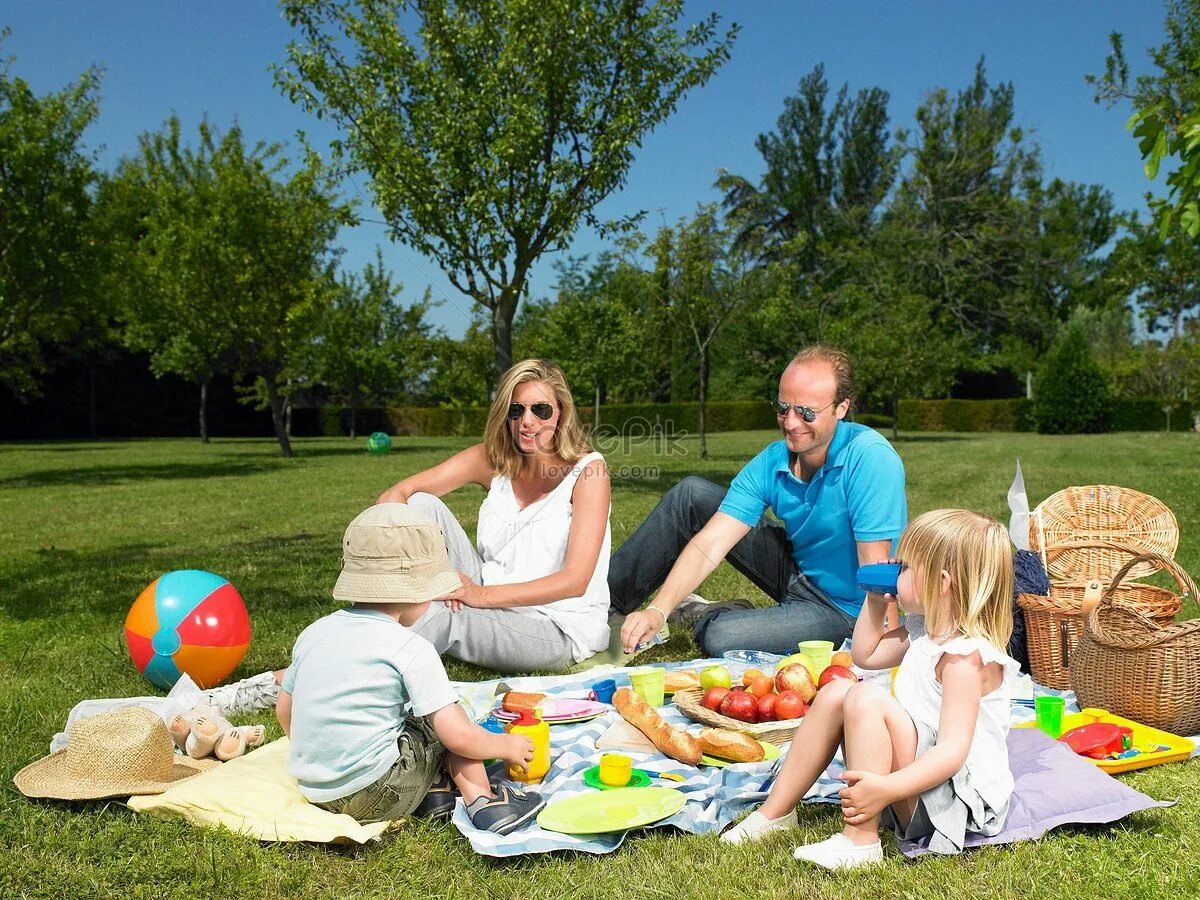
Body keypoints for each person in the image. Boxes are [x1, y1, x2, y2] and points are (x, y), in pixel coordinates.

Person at [721, 509, 1018, 869]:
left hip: (952, 803)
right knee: (836, 691)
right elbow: (866, 654)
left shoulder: (963, 659)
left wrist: (886, 790)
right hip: (915, 785)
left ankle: (861, 840)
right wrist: (876, 603)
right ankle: (776, 812)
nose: (896, 572)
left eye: (906, 567)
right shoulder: (926, 631)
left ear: (941, 583)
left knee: (865, 696)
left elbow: (953, 752)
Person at [615, 345, 906, 657]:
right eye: (783, 408)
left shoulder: (869, 457)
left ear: (841, 408)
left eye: (807, 413)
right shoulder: (773, 460)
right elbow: (713, 540)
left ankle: (704, 614)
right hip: (796, 571)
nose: (791, 423)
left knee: (721, 637)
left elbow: (876, 571)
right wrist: (658, 610)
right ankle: (596, 608)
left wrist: (879, 652)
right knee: (692, 494)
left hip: (846, 609)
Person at [277, 503, 546, 834]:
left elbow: (285, 708)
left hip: (317, 790)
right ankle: (485, 802)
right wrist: (505, 746)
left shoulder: (314, 633)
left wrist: (324, 754)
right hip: (380, 792)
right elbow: (458, 737)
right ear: (422, 592)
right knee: (446, 722)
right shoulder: (411, 647)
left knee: (406, 718)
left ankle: (435, 793)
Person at [377, 359, 611, 673]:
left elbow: (575, 581)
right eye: (516, 410)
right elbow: (395, 495)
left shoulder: (589, 473)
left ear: (561, 413)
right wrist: (410, 572)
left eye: (540, 410)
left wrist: (478, 596)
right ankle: (380, 617)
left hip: (553, 625)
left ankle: (338, 673)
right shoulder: (492, 458)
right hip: (484, 590)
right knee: (420, 505)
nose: (526, 422)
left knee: (439, 614)